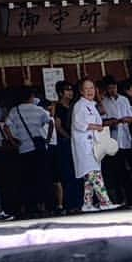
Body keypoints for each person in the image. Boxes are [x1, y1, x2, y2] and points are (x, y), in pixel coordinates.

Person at [2, 87, 52, 217]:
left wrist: (13, 141)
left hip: (23, 149)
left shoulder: (15, 110)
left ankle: (29, 206)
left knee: (27, 179)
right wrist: (47, 138)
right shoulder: (39, 109)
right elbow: (50, 121)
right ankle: (42, 205)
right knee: (41, 177)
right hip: (39, 148)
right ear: (31, 97)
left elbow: (6, 126)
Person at [71, 77, 119, 212]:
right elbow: (79, 124)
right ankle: (105, 201)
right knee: (94, 174)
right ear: (81, 91)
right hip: (85, 146)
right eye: (86, 88)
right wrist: (96, 127)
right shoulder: (79, 106)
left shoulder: (91, 105)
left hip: (93, 144)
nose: (89, 91)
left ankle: (87, 204)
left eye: (92, 88)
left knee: (89, 176)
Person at [100, 76, 132, 207]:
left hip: (127, 138)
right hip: (113, 140)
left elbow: (131, 116)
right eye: (110, 88)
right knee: (119, 171)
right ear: (106, 89)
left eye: (114, 87)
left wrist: (127, 119)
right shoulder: (104, 102)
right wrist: (112, 122)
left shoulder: (124, 100)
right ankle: (125, 198)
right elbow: (102, 121)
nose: (112, 90)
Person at [50, 79, 81, 214]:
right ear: (60, 93)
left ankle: (79, 202)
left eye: (71, 90)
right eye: (67, 90)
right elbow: (57, 125)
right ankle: (69, 204)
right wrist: (68, 137)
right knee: (68, 174)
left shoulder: (74, 106)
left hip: (76, 142)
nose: (70, 92)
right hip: (64, 143)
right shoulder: (57, 107)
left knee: (78, 173)